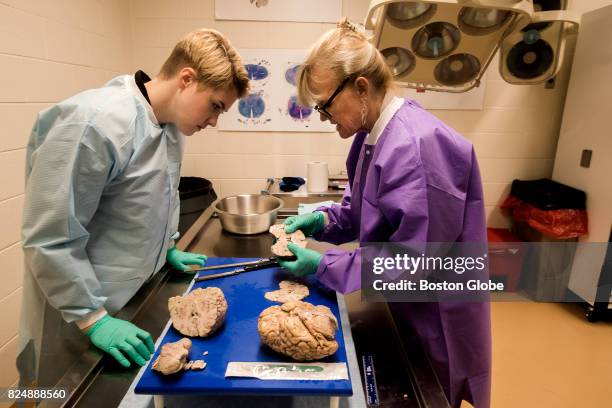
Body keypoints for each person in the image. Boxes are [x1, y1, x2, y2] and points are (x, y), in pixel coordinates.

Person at [278, 19, 492, 408]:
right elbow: (365, 211)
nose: (324, 118)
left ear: (361, 87)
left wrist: (325, 264)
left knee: (433, 386)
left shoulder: (414, 145)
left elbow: (412, 259)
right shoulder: (371, 135)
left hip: (435, 310)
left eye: (326, 106)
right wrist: (325, 219)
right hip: (401, 298)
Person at [18, 28, 249, 386]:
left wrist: (166, 248)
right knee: (57, 391)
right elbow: (49, 237)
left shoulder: (170, 125)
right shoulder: (94, 124)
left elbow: (157, 195)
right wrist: (94, 319)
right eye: (216, 105)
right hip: (77, 313)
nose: (215, 120)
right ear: (187, 79)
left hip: (131, 298)